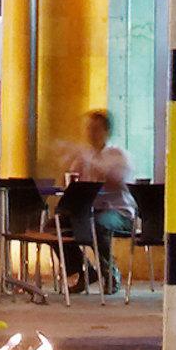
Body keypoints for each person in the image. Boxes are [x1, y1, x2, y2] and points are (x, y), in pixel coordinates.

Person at [55, 114, 129, 294]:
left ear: (106, 131)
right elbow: (71, 182)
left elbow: (117, 181)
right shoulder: (84, 156)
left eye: (96, 129)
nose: (91, 133)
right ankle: (84, 270)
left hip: (117, 212)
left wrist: (92, 162)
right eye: (89, 129)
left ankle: (110, 271)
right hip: (88, 212)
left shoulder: (116, 155)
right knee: (55, 225)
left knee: (98, 224)